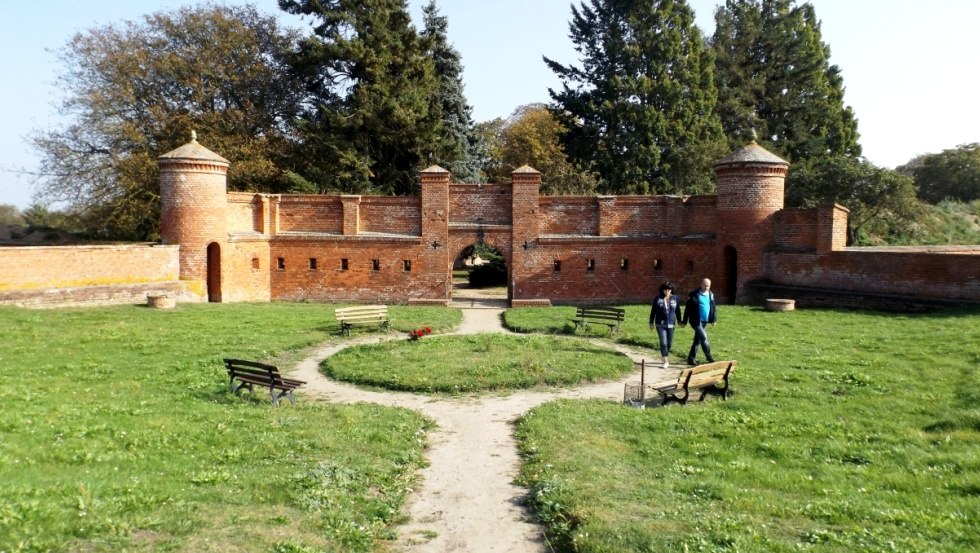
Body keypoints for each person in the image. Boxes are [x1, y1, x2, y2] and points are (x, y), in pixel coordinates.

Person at [681, 278, 717, 365]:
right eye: (705, 285)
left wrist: (714, 319)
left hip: (705, 320)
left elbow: (713, 307)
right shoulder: (694, 294)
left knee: (697, 341)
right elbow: (688, 309)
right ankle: (709, 357)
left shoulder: (710, 294)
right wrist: (685, 321)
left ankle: (691, 358)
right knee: (704, 337)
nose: (706, 287)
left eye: (708, 285)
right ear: (701, 284)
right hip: (695, 320)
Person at [649, 281, 683, 367]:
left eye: (669, 289)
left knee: (669, 343)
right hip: (660, 324)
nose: (667, 291)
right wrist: (651, 322)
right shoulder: (658, 298)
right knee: (663, 342)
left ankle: (664, 354)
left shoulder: (675, 298)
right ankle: (665, 360)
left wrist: (679, 321)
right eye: (665, 289)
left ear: (671, 290)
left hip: (671, 323)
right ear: (662, 290)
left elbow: (678, 311)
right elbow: (653, 311)